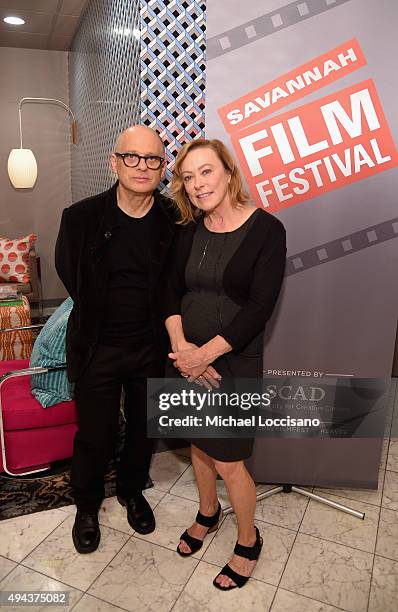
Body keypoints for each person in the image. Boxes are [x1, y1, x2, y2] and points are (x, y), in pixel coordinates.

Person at [164, 138, 286, 590]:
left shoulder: (268, 231)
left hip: (232, 361)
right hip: (186, 357)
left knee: (230, 460)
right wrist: (182, 348)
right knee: (198, 446)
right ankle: (207, 513)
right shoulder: (186, 230)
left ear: (229, 173)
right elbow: (170, 292)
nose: (197, 185)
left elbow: (260, 307)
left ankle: (249, 540)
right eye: (188, 177)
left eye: (206, 172)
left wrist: (205, 355)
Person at [55, 125, 177, 553]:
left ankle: (131, 491)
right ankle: (87, 505)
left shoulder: (173, 220)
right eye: (133, 157)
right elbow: (70, 274)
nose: (142, 167)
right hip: (98, 348)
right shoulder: (80, 217)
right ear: (115, 162)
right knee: (95, 434)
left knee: (144, 430)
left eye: (153, 159)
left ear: (163, 167)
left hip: (151, 348)